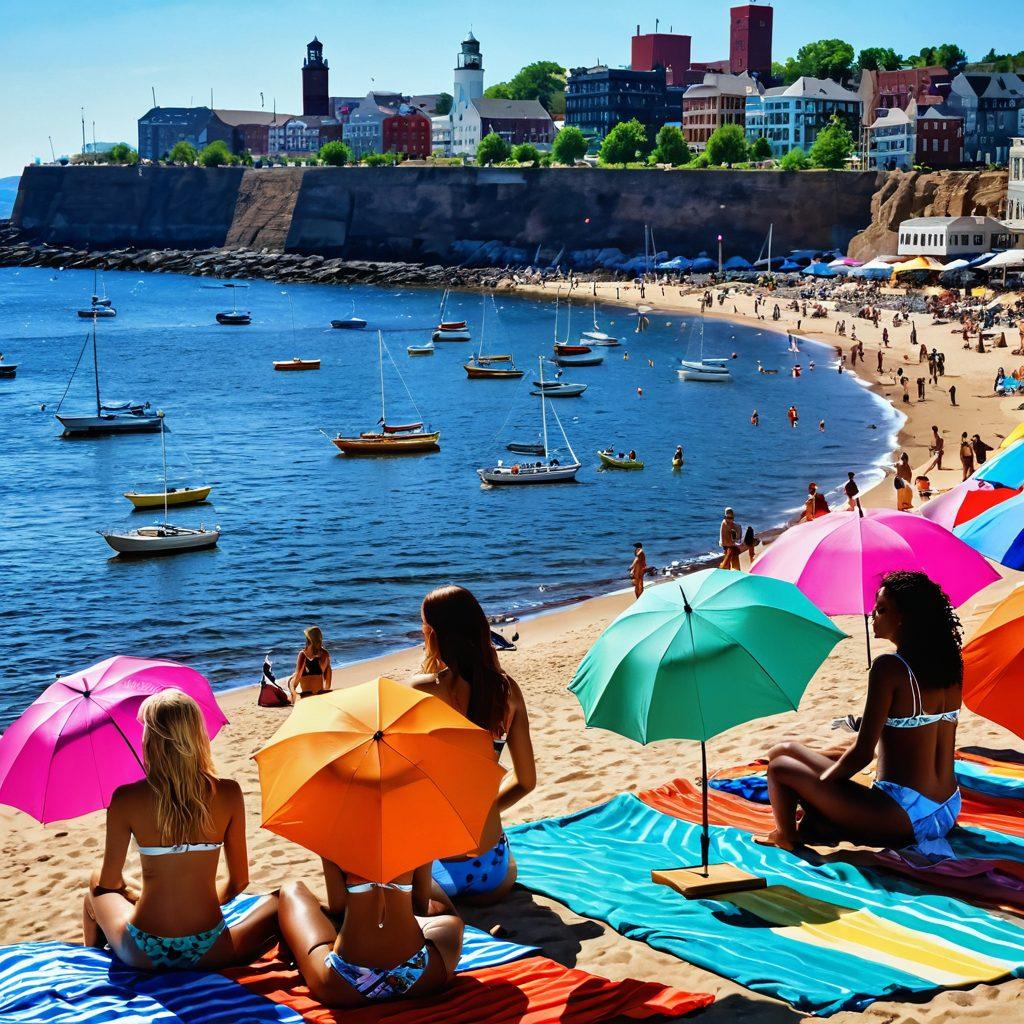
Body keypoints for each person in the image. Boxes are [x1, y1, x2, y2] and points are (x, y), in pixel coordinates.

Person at [757, 572, 963, 854]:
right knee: (784, 749)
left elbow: (862, 753)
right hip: (948, 806)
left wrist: (820, 789)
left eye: (881, 610)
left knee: (780, 769)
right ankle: (814, 821)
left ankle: (786, 835)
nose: (872, 616)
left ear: (903, 617)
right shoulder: (949, 666)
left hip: (905, 816)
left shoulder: (889, 667)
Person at [83, 691, 279, 970]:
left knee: (95, 882)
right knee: (278, 903)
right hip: (211, 946)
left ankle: (89, 960)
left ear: (150, 739)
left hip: (144, 951)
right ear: (197, 735)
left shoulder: (126, 798)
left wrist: (133, 891)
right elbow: (239, 882)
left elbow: (110, 882)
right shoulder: (228, 792)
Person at [413, 586, 536, 904]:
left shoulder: (421, 692)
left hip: (435, 870)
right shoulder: (508, 691)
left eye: (424, 628)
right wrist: (482, 810)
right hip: (493, 871)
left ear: (434, 635)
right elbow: (526, 782)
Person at [278, 859, 463, 1007]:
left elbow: (338, 907)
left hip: (345, 984)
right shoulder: (418, 838)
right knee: (452, 924)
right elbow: (421, 908)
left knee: (291, 889)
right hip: (418, 974)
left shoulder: (335, 837)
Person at [289, 626, 332, 702]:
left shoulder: (303, 654)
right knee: (328, 668)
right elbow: (328, 675)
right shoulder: (325, 653)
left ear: (308, 639)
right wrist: (326, 690)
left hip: (306, 694)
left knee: (292, 678)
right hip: (319, 692)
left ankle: (292, 696)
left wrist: (293, 689)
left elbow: (298, 675)